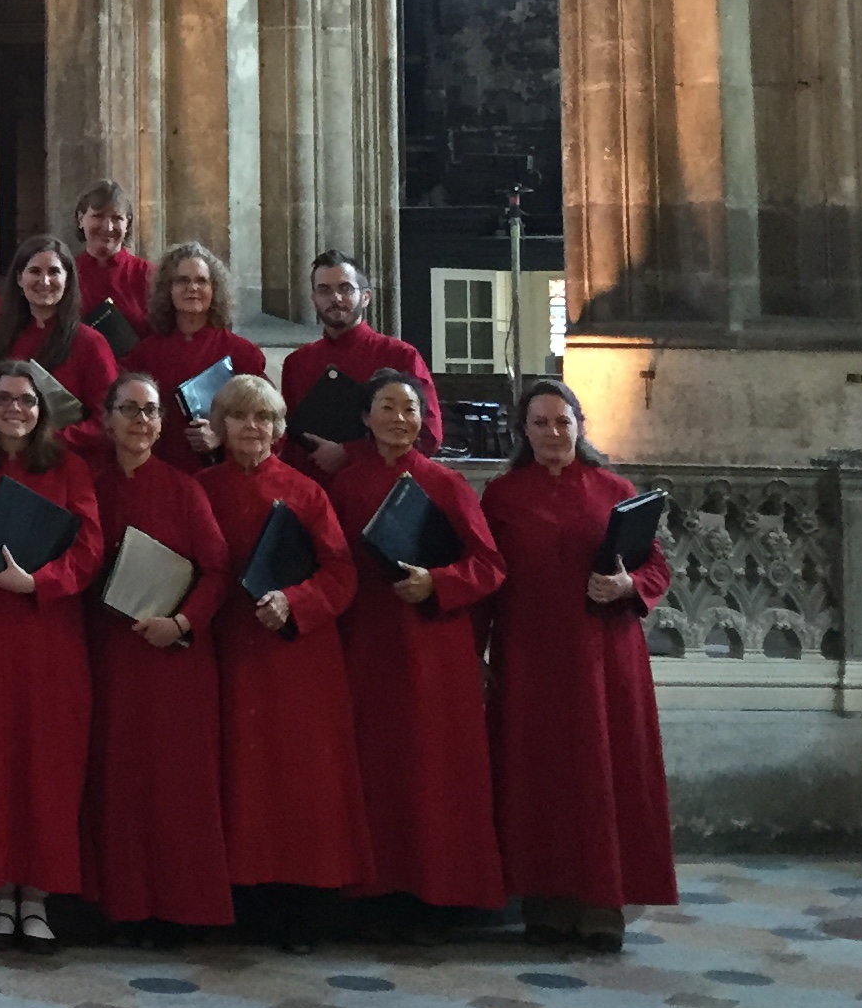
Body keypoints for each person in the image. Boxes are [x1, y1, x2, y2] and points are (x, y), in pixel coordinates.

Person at [481, 378, 676, 953]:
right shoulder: (502, 496)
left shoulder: (615, 489)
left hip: (603, 660)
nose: (552, 433)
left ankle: (601, 907)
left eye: (562, 422)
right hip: (530, 656)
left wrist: (627, 584)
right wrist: (478, 651)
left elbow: (655, 568)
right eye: (539, 423)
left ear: (579, 426)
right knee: (539, 780)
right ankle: (544, 903)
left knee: (604, 776)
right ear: (524, 432)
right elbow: (489, 578)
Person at [323, 369, 506, 935]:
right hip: (369, 640)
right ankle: (374, 889)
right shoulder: (345, 486)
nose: (399, 419)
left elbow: (489, 565)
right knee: (375, 766)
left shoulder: (445, 484)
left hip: (433, 645)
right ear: (365, 417)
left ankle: (441, 891)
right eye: (387, 407)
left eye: (409, 409)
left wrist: (439, 583)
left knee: (434, 766)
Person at [196, 372, 374, 952]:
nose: (254, 428)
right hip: (227, 652)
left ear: (278, 431)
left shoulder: (305, 492)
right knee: (239, 778)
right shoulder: (199, 488)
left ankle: (300, 908)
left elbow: (341, 574)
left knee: (297, 782)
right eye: (242, 417)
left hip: (296, 657)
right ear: (219, 427)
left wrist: (293, 601)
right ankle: (243, 904)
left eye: (265, 419)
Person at [0, 363, 103, 948]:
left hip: (49, 632)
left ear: (44, 410)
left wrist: (41, 582)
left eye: (27, 401)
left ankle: (36, 896)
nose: (16, 409)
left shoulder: (69, 467)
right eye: (4, 399)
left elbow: (90, 545)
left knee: (48, 760)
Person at [81, 371, 234, 942]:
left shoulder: (184, 488)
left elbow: (217, 569)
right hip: (112, 654)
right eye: (129, 410)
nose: (140, 422)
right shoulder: (90, 485)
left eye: (150, 412)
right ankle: (123, 908)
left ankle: (179, 908)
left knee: (175, 785)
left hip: (173, 658)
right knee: (119, 782)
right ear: (107, 420)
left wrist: (182, 622)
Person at [281, 251, 445, 469]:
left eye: (345, 288)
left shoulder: (400, 355)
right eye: (324, 290)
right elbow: (290, 440)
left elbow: (428, 434)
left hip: (379, 487)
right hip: (313, 488)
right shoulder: (297, 363)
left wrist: (349, 453)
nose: (335, 298)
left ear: (366, 297)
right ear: (313, 299)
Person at [126, 241, 266, 462]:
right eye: (183, 280)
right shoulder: (145, 354)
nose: (193, 288)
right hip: (163, 468)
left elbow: (267, 422)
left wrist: (222, 436)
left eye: (202, 281)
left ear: (214, 289)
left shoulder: (242, 352)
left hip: (224, 471)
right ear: (168, 289)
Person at [0, 235, 121, 452]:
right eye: (35, 271)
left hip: (67, 459)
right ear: (19, 278)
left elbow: (108, 420)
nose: (44, 281)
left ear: (68, 280)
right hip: (6, 457)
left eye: (54, 272)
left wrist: (47, 440)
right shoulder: (3, 337)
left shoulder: (91, 343)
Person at [71, 181, 154, 338]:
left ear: (128, 223)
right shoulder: (66, 274)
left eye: (117, 218)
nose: (108, 227)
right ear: (81, 219)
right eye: (98, 216)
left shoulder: (149, 275)